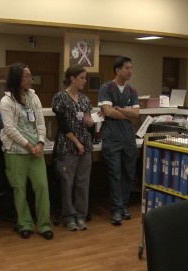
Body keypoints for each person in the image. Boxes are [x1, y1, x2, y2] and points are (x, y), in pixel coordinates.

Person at [0, 63, 54, 240]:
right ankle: (25, 223)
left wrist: (39, 142)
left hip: (36, 150)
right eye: (27, 76)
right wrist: (29, 145)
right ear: (17, 78)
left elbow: (40, 122)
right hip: (15, 151)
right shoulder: (6, 100)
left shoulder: (34, 97)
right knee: (20, 189)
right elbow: (9, 129)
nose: (31, 79)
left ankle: (44, 225)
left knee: (42, 187)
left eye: (31, 76)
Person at [98, 56, 140, 226]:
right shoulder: (106, 88)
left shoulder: (132, 90)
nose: (130, 71)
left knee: (128, 173)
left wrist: (118, 109)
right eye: (127, 68)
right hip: (112, 138)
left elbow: (137, 114)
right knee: (115, 173)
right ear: (118, 70)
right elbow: (107, 112)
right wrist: (127, 113)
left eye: (131, 67)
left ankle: (124, 206)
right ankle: (116, 209)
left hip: (128, 138)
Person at [52, 65, 94, 231]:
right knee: (67, 182)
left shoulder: (85, 100)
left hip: (86, 145)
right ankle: (69, 216)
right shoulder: (60, 98)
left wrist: (90, 122)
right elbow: (62, 124)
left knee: (83, 183)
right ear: (72, 78)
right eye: (82, 78)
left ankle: (80, 215)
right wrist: (77, 143)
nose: (85, 81)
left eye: (85, 78)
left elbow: (88, 121)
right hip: (68, 146)